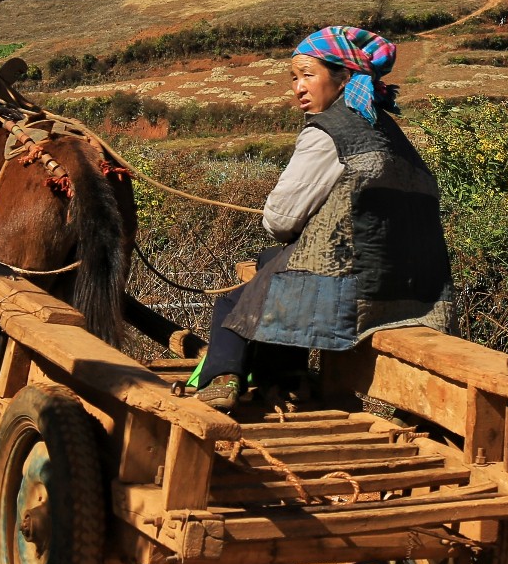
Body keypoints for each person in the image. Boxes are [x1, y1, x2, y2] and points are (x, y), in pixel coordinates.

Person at [192, 26, 453, 403]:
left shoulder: (328, 131)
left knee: (237, 299)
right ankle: (288, 375)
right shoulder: (389, 130)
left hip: (356, 286)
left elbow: (280, 220)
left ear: (343, 76)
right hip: (418, 289)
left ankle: (222, 380)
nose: (298, 87)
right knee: (270, 265)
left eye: (308, 75)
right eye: (294, 78)